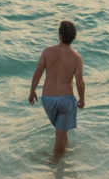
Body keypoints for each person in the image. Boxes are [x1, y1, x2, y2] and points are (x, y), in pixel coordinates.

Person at [26, 20, 85, 159]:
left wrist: (32, 91)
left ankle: (65, 155)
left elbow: (37, 73)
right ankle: (56, 167)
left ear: (59, 36)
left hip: (47, 100)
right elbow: (80, 82)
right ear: (73, 38)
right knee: (60, 135)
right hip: (65, 101)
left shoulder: (47, 52)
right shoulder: (76, 58)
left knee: (61, 132)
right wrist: (82, 99)